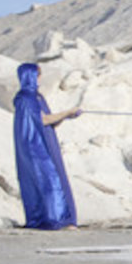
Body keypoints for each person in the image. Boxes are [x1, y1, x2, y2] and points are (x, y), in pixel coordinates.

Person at [13, 62, 82, 230]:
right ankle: (54, 218)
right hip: (35, 145)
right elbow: (43, 120)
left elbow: (50, 121)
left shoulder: (37, 97)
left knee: (55, 177)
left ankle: (64, 218)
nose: (40, 78)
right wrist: (67, 112)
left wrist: (67, 116)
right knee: (48, 179)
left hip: (47, 141)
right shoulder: (25, 98)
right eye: (37, 75)